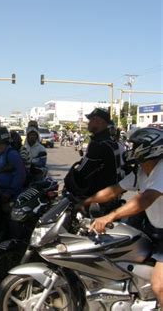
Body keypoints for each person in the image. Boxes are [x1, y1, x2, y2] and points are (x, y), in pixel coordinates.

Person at [85, 127, 163, 305]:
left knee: (159, 285)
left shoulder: (162, 169)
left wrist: (109, 216)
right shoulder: (142, 170)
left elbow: (145, 200)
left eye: (135, 145)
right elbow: (114, 190)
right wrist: (83, 202)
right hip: (153, 228)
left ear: (150, 147)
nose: (131, 148)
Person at [64, 108, 125, 214]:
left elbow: (83, 171)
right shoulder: (111, 142)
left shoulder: (98, 144)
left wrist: (68, 182)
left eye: (91, 120)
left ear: (99, 121)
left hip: (98, 199)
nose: (88, 123)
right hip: (112, 195)